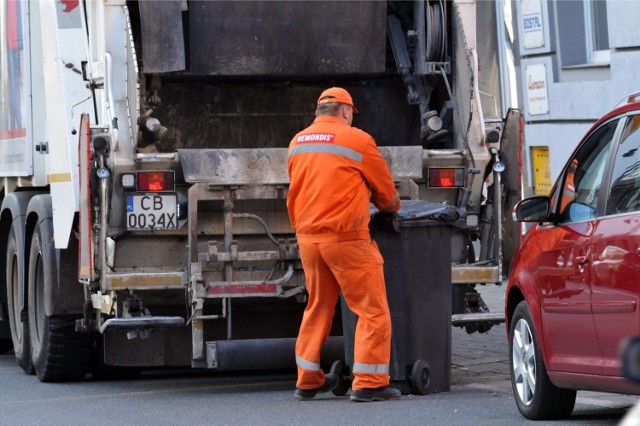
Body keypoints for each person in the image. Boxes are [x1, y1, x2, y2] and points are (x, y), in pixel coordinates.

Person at [286, 87, 401, 402]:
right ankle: (369, 381)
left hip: (308, 239)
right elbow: (385, 190)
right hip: (346, 238)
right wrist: (392, 207)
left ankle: (307, 379)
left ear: (319, 113)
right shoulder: (357, 140)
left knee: (318, 305)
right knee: (371, 309)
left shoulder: (297, 142)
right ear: (346, 112)